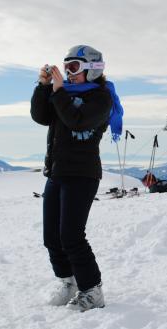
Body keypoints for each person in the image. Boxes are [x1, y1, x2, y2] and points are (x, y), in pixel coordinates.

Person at [30, 44, 123, 312]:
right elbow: (41, 116)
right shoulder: (64, 94)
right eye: (66, 67)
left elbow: (77, 121)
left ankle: (92, 290)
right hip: (57, 172)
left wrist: (58, 92)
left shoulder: (101, 98)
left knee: (71, 235)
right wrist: (43, 87)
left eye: (74, 67)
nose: (69, 73)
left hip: (82, 174)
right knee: (51, 236)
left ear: (92, 70)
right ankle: (68, 281)